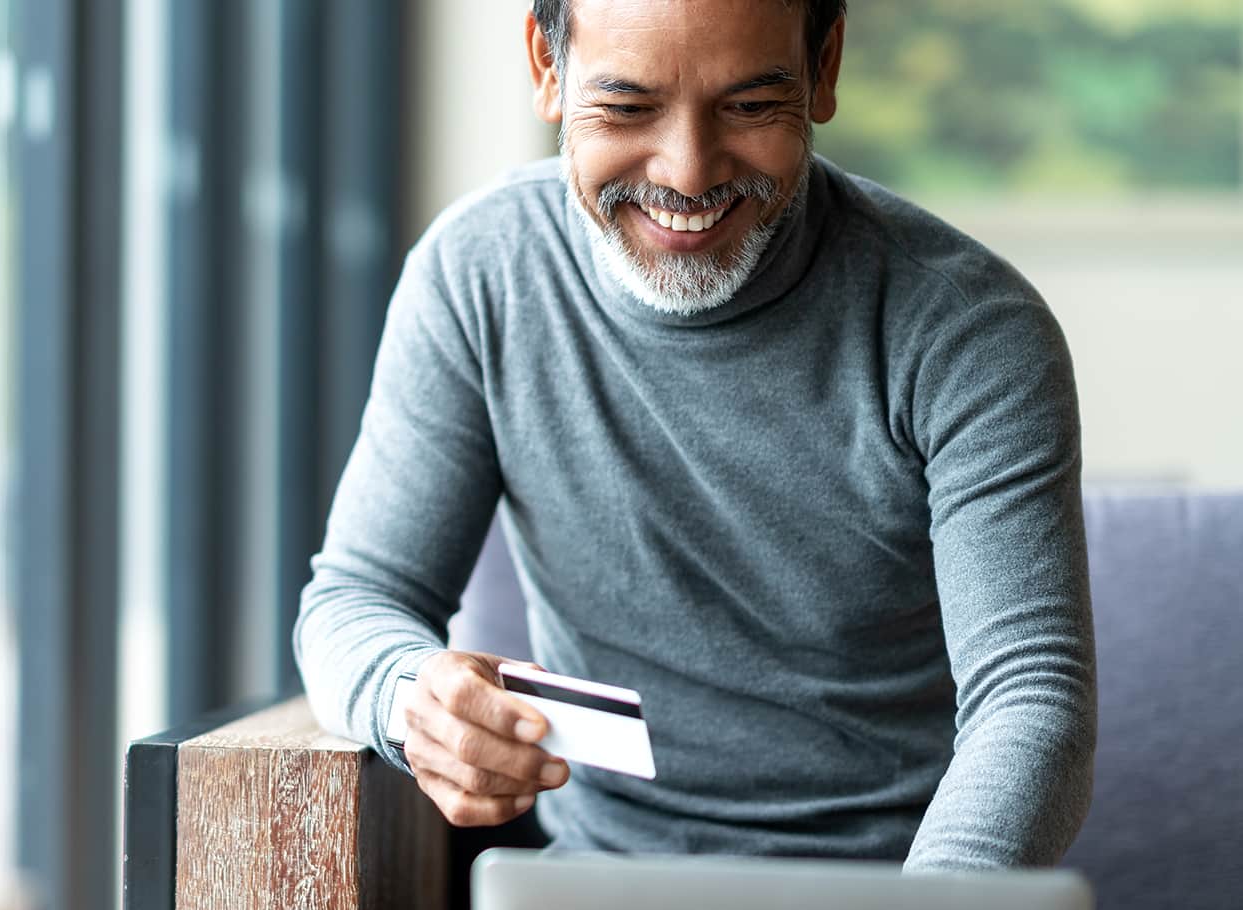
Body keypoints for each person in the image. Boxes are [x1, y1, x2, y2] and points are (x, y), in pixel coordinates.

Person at [293, 0, 1096, 871]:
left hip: (893, 886)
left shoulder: (968, 329)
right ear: (547, 67)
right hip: (598, 885)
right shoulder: (480, 275)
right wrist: (409, 699)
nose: (686, 173)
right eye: (629, 108)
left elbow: (1031, 700)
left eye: (750, 107)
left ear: (823, 68)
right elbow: (356, 599)